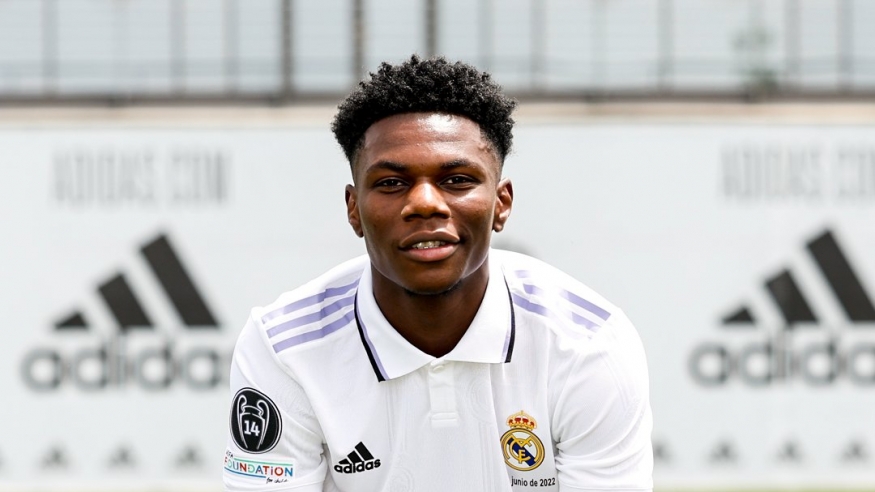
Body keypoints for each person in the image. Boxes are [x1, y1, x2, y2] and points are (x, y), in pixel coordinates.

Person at [224, 55, 653, 492]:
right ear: (354, 210)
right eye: (391, 183)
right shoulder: (284, 348)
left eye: (457, 180)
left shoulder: (588, 343)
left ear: (501, 204)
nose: (425, 203)